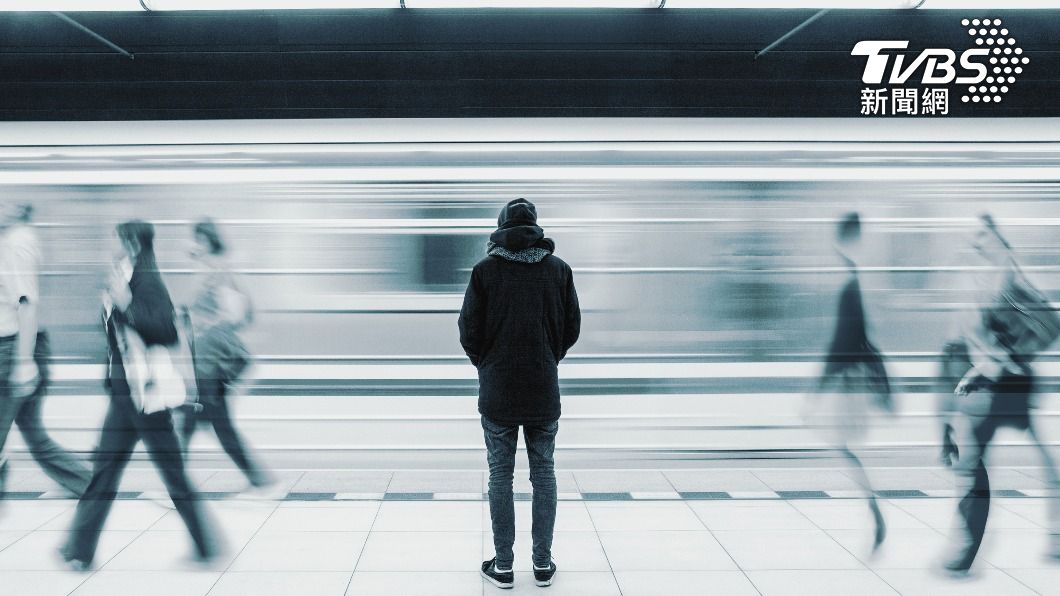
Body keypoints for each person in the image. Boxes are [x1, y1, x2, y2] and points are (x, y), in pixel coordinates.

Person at [61, 220, 217, 570]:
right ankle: (78, 549)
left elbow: (164, 330)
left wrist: (127, 304)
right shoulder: (122, 277)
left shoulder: (148, 282)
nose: (110, 244)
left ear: (131, 242)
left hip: (147, 396)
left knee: (172, 474)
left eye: (115, 238)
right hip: (124, 392)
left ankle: (206, 544)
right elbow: (115, 337)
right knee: (105, 470)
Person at [459, 198, 580, 589]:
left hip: (498, 391)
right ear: (536, 230)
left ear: (500, 228)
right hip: (543, 387)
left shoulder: (485, 271)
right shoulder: (559, 270)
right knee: (544, 474)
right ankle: (542, 564)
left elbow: (468, 330)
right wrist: (549, 356)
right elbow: (572, 327)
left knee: (501, 476)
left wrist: (487, 363)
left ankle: (505, 566)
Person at [941, 214, 1060, 575]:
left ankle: (969, 547)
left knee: (975, 461)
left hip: (1008, 383)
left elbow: (1034, 331)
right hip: (1005, 380)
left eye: (982, 235)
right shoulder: (997, 276)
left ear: (996, 235)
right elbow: (997, 341)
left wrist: (993, 367)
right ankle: (1054, 534)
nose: (977, 243)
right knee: (1036, 460)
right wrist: (980, 370)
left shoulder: (1005, 277)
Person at [807, 212, 889, 552]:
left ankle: (874, 510)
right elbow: (861, 337)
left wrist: (818, 387)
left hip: (847, 379)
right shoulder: (853, 280)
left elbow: (844, 341)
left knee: (842, 443)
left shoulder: (849, 283)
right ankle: (873, 509)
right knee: (842, 444)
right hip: (852, 377)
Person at [0, 202, 91, 497]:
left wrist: (23, 361)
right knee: (36, 437)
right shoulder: (15, 241)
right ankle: (90, 486)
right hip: (18, 348)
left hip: (13, 349)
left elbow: (27, 303)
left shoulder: (16, 243)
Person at [180, 219, 270, 490]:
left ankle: (263, 483)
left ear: (206, 241)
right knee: (193, 423)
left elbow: (234, 315)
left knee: (214, 426)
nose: (191, 245)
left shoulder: (218, 271)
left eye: (195, 239)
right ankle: (178, 485)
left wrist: (203, 321)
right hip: (205, 360)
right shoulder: (210, 270)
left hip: (211, 362)